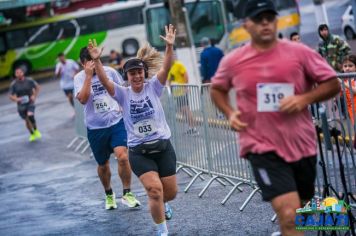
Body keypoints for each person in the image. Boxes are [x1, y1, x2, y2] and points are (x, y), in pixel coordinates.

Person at [210, 1, 340, 235]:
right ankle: (287, 224)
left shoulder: (299, 53)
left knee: (302, 209)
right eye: (259, 19)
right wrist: (230, 113)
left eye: (270, 17)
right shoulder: (233, 60)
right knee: (290, 214)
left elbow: (333, 84)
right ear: (246, 24)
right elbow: (217, 89)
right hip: (261, 146)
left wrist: (303, 99)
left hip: (301, 144)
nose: (265, 23)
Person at [87, 24, 177, 236]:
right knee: (154, 191)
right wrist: (98, 61)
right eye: (131, 73)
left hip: (163, 147)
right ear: (126, 76)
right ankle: (162, 231)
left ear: (144, 73)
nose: (136, 77)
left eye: (139, 72)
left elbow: (166, 68)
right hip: (139, 151)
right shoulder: (123, 94)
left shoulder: (154, 87)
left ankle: (164, 205)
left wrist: (170, 48)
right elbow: (105, 81)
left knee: (169, 193)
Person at [73, 47, 141, 210]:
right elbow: (82, 99)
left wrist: (123, 107)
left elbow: (123, 91)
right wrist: (89, 76)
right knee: (103, 164)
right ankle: (109, 195)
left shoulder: (110, 72)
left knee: (123, 157)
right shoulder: (79, 78)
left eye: (97, 61)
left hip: (116, 123)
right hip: (95, 128)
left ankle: (127, 193)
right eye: (90, 63)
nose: (95, 66)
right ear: (83, 64)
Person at [9, 67, 41, 142]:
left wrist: (34, 96)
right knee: (27, 121)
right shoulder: (14, 84)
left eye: (20, 72)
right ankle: (32, 134)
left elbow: (37, 87)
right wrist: (17, 99)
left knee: (30, 115)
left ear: (23, 73)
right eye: (17, 73)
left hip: (30, 102)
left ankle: (36, 130)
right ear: (15, 74)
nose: (19, 74)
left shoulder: (29, 80)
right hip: (21, 105)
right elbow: (10, 95)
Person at [167, 60, 198, 135]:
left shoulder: (178, 65)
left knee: (186, 110)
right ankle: (190, 128)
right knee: (183, 111)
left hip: (181, 92)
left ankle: (193, 128)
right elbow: (169, 80)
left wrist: (185, 86)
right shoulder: (169, 68)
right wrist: (169, 90)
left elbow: (185, 75)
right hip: (176, 93)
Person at [340, 55, 356, 123]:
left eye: (350, 66)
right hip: (351, 109)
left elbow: (355, 91)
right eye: (345, 66)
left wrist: (342, 82)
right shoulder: (345, 80)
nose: (347, 68)